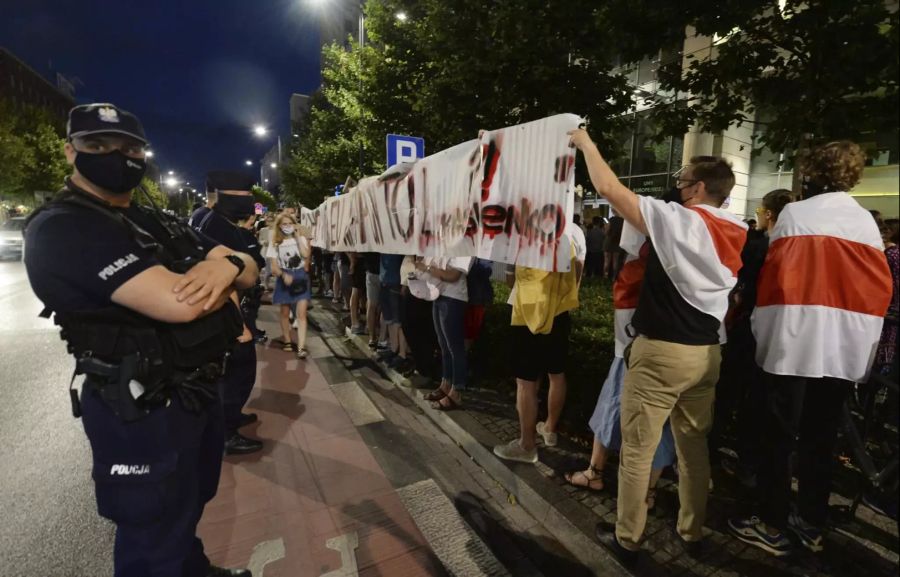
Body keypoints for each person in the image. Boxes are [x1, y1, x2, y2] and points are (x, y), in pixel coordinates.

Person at [24, 103, 254, 577]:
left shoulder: (156, 220)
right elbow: (180, 303)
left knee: (188, 505)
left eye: (129, 148)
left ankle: (193, 568)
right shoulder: (65, 227)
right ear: (71, 152)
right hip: (140, 403)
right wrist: (222, 271)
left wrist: (225, 267)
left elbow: (250, 270)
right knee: (150, 530)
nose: (117, 156)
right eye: (97, 146)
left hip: (193, 390)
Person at [571, 127, 747, 565]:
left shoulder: (683, 221)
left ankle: (628, 536)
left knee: (638, 450)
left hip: (661, 354)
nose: (678, 185)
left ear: (700, 188)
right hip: (706, 355)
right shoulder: (737, 230)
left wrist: (587, 143)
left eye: (683, 179)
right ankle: (692, 530)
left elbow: (609, 188)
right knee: (692, 447)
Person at [730, 141, 893, 556]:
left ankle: (771, 522)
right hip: (841, 349)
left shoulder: (795, 216)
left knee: (779, 437)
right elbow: (874, 290)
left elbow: (776, 283)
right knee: (821, 439)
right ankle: (811, 523)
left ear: (812, 172)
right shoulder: (865, 224)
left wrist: (761, 333)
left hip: (794, 343)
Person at [566, 240, 676, 511]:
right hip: (676, 355)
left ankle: (595, 473)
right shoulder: (686, 261)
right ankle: (647, 493)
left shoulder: (638, 265)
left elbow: (625, 306)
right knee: (662, 421)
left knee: (613, 406)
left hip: (632, 352)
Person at [713, 189, 793, 486]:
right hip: (778, 335)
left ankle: (709, 450)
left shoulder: (758, 246)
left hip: (746, 329)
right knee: (759, 402)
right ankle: (749, 464)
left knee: (726, 393)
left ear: (769, 213)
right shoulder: (792, 249)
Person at [493, 224, 583, 463]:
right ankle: (550, 429)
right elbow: (575, 274)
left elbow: (515, 278)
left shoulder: (525, 239)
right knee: (557, 373)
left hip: (528, 314)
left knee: (525, 383)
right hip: (559, 314)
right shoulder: (567, 237)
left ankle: (526, 444)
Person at [191, 171, 265, 456]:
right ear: (223, 195)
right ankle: (225, 433)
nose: (249, 201)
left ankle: (232, 417)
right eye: (244, 195)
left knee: (236, 372)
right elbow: (220, 277)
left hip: (232, 309)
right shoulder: (214, 226)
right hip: (228, 311)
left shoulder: (216, 221)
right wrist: (238, 324)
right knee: (236, 371)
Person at [415, 256, 473, 410]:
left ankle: (457, 391)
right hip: (439, 295)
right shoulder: (445, 242)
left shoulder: (464, 246)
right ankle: (445, 384)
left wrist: (428, 269)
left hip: (454, 299)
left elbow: (453, 276)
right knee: (444, 346)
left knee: (455, 348)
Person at [267, 212, 312, 359]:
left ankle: (301, 347)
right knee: (285, 313)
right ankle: (287, 340)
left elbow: (305, 256)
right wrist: (283, 274)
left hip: (300, 277)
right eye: (284, 224)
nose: (287, 227)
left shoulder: (301, 239)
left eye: (290, 223)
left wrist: (299, 238)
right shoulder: (275, 242)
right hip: (284, 277)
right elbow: (274, 267)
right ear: (279, 226)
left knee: (302, 314)